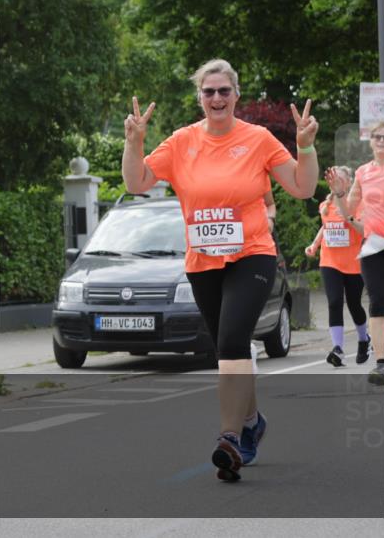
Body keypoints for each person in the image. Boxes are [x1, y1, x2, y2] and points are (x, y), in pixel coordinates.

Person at [122, 59, 318, 482]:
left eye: (223, 91)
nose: (216, 98)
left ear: (236, 95)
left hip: (252, 255)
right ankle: (252, 422)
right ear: (199, 98)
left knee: (232, 341)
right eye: (208, 92)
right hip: (203, 261)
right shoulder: (180, 142)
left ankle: (229, 437)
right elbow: (136, 183)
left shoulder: (259, 139)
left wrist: (305, 145)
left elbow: (303, 187)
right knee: (228, 350)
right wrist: (134, 143)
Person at [327, 119, 384, 385]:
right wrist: (338, 194)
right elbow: (348, 213)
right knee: (377, 302)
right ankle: (381, 365)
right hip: (373, 246)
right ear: (370, 142)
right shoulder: (362, 173)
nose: (382, 141)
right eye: (377, 137)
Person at [305, 166, 369, 366]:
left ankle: (363, 338)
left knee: (354, 304)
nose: (336, 183)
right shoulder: (325, 205)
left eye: (340, 180)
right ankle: (338, 348)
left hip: (353, 263)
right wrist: (314, 245)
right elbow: (325, 227)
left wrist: (349, 219)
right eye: (334, 180)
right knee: (334, 302)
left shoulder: (358, 205)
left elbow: (363, 231)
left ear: (348, 183)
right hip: (329, 261)